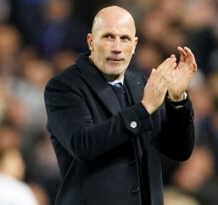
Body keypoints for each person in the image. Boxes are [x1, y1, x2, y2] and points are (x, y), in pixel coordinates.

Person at [44, 5, 197, 205]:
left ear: (134, 45)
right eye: (108, 37)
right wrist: (143, 109)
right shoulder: (64, 87)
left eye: (124, 39)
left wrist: (178, 101)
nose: (116, 47)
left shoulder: (142, 85)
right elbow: (83, 145)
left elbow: (179, 151)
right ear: (91, 41)